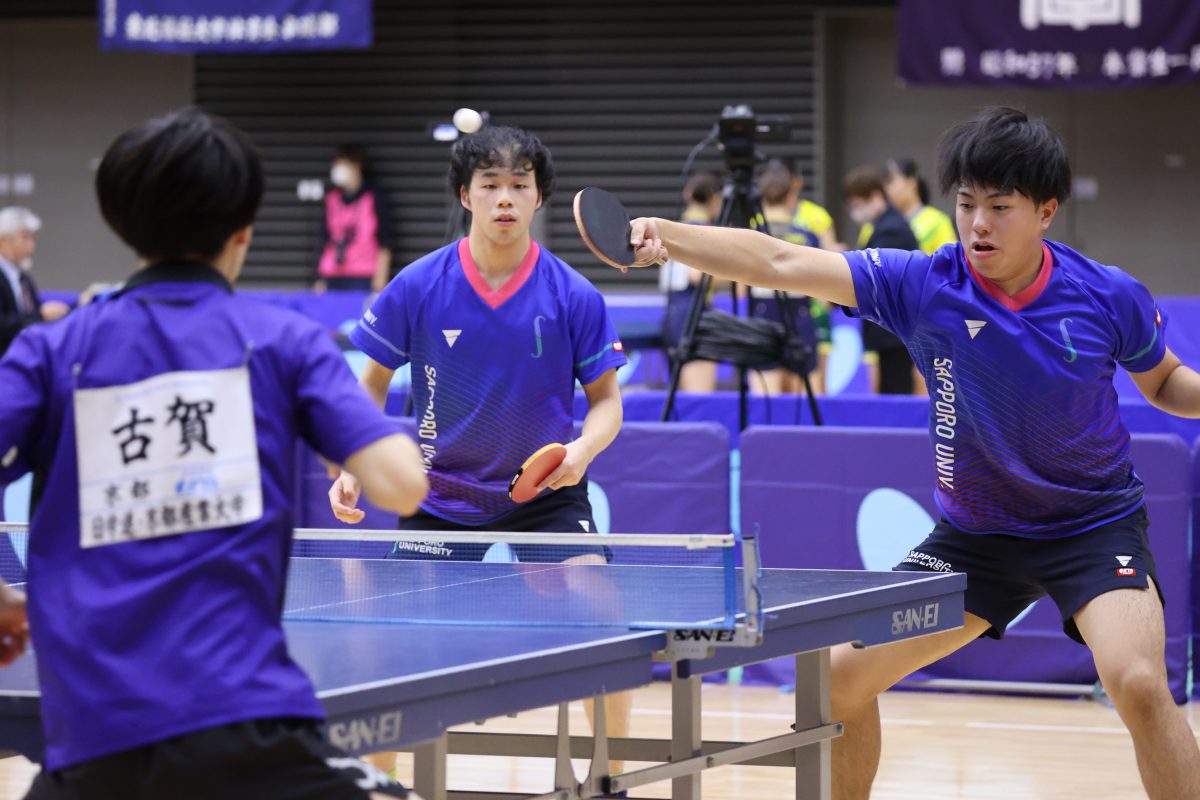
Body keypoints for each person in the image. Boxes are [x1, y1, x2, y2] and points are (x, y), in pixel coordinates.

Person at [620, 106, 1200, 800]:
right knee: (834, 679)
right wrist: (669, 237)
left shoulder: (1106, 294)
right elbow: (780, 260)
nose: (978, 223)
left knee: (1137, 684)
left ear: (1046, 211)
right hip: (975, 539)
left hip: (1092, 527)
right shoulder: (924, 285)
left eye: (1000, 206)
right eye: (965, 204)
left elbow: (1163, 379)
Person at [0, 108, 429, 800]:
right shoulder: (283, 342)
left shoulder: (52, 351)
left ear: (121, 221)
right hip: (251, 736)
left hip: (91, 747)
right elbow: (402, 487)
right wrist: (334, 435)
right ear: (243, 231)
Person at [327, 125, 633, 772]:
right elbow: (366, 390)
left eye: (518, 185)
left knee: (602, 605)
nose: (504, 198)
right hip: (438, 495)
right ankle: (382, 783)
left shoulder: (572, 294)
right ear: (466, 195)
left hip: (545, 494)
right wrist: (355, 461)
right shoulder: (416, 285)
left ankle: (607, 772)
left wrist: (581, 453)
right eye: (489, 184)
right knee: (385, 640)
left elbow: (608, 404)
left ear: (538, 197)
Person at [748, 159, 837, 395]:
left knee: (765, 404)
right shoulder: (808, 237)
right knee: (805, 406)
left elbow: (739, 289)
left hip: (762, 320)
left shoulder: (749, 236)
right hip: (800, 320)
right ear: (791, 196)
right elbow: (824, 290)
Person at [843, 165, 921, 395]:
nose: (855, 212)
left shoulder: (891, 231)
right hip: (891, 333)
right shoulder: (882, 227)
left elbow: (881, 282)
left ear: (876, 197)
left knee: (896, 395)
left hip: (894, 333)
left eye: (858, 205)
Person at [659, 170, 723, 393]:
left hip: (672, 313)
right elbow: (697, 275)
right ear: (716, 198)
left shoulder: (673, 227)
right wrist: (738, 275)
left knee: (682, 399)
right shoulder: (702, 229)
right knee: (699, 399)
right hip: (694, 314)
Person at [315, 144, 394, 293]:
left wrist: (381, 277)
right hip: (333, 275)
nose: (337, 170)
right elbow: (324, 239)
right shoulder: (332, 199)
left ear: (357, 167)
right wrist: (320, 279)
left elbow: (386, 240)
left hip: (363, 277)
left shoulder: (374, 197)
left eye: (342, 165)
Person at [0, 207, 69, 356]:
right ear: (3, 240)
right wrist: (40, 315)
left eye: (32, 238)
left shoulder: (24, 279)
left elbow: (33, 312)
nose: (32, 245)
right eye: (25, 238)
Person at [882, 157, 957, 255]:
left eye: (891, 181)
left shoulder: (937, 221)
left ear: (912, 181)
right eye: (884, 184)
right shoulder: (874, 224)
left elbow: (950, 262)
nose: (887, 188)